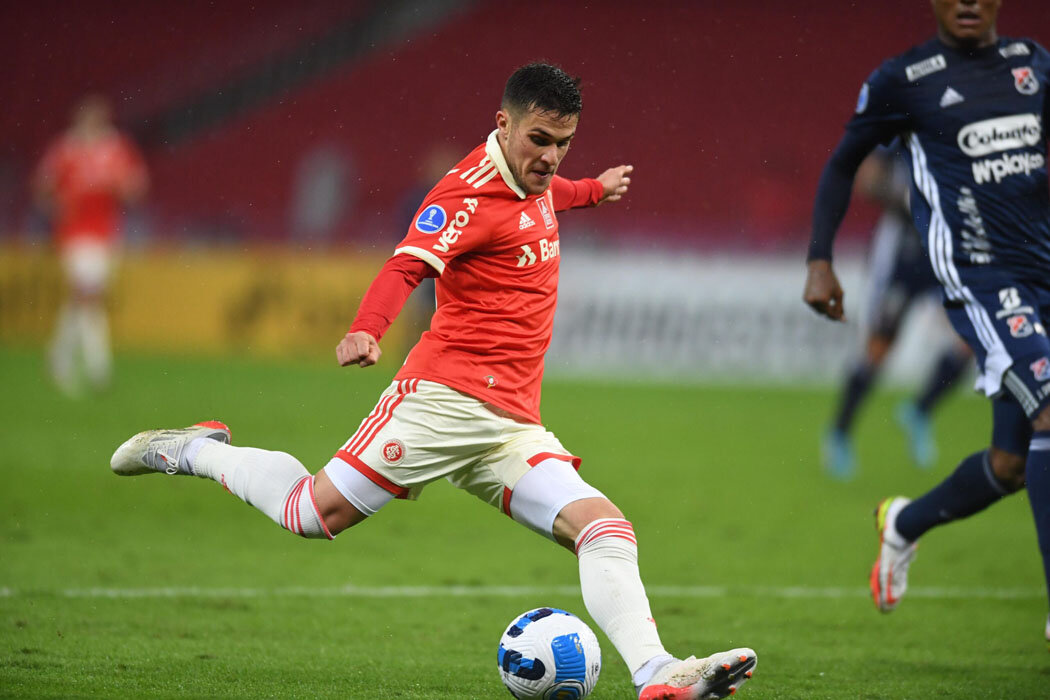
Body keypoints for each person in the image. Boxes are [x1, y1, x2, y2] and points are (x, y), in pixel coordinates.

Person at [109, 63, 757, 699]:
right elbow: (405, 266)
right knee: (310, 512)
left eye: (564, 143)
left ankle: (657, 674)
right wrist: (367, 328)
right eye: (539, 140)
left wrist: (591, 188)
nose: (551, 157)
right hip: (443, 401)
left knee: (604, 528)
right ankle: (195, 450)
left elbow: (547, 194)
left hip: (511, 422)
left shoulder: (534, 178)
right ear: (503, 125)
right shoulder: (464, 195)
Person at [802, 0, 1050, 642]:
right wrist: (820, 260)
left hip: (1041, 268)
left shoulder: (1032, 66)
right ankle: (841, 434)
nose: (968, 2)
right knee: (1047, 405)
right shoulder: (905, 79)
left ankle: (904, 523)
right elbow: (846, 163)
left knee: (1009, 463)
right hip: (975, 273)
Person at [823, 146, 972, 479]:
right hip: (902, 258)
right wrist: (906, 198)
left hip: (943, 255)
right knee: (878, 350)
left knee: (971, 338)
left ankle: (921, 410)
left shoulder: (957, 139)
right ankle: (840, 433)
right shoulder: (900, 140)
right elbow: (867, 181)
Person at [34, 94, 148, 396]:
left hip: (105, 234)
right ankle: (99, 367)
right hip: (73, 234)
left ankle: (58, 358)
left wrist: (122, 186)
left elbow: (136, 186)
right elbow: (43, 186)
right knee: (88, 297)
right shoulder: (66, 148)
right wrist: (55, 207)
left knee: (80, 300)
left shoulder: (114, 148)